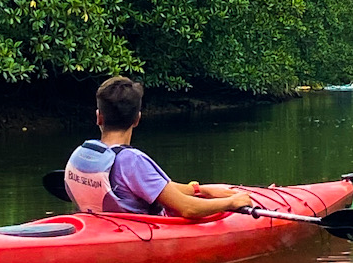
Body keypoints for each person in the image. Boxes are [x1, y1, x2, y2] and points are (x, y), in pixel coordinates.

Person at [64, 75, 253, 217]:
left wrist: (199, 190)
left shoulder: (80, 154)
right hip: (136, 235)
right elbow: (188, 208)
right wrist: (232, 202)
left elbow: (158, 187)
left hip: (98, 228)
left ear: (98, 117)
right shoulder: (132, 161)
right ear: (137, 119)